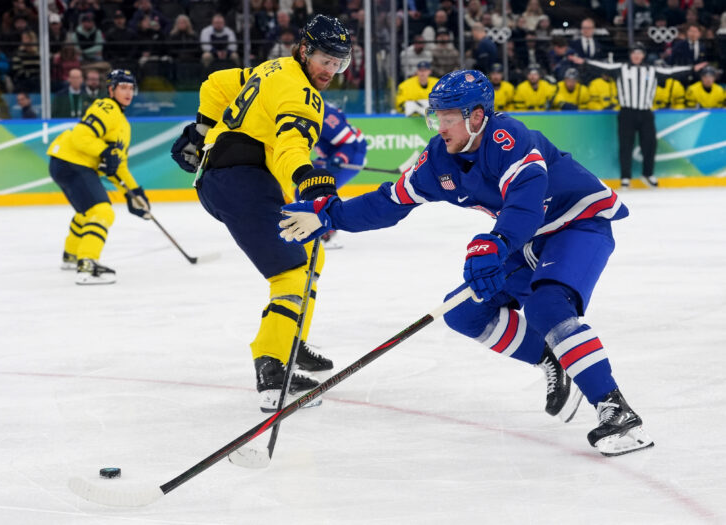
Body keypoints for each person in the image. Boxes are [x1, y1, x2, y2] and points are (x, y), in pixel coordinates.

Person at [278, 69, 655, 458]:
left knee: (547, 306)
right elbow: (389, 202)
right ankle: (552, 357)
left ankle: (618, 412)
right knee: (463, 312)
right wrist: (330, 215)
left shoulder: (509, 139)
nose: (440, 127)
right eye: (436, 117)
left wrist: (497, 242)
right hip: (526, 239)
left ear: (477, 116)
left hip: (578, 223)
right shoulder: (439, 159)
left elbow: (525, 204)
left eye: (448, 117)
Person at [169, 15, 351, 412]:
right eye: (325, 59)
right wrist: (307, 178)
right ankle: (273, 372)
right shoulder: (302, 93)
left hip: (226, 179)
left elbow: (216, 83)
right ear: (304, 50)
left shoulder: (274, 67)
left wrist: (201, 131)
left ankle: (291, 340)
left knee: (311, 251)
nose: (330, 70)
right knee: (291, 274)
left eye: (339, 63)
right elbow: (290, 146)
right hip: (242, 181)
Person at [46, 69, 151, 285]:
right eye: (123, 87)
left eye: (131, 88)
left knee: (87, 212)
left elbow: (118, 166)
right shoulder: (107, 107)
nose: (128, 92)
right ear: (111, 90)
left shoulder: (123, 125)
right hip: (72, 162)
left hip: (64, 162)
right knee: (102, 211)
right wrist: (104, 151)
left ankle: (71, 255)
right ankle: (87, 265)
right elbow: (80, 136)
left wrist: (134, 193)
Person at [570, 43, 707, 188]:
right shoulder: (621, 68)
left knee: (650, 145)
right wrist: (584, 62)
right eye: (634, 53)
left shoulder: (652, 70)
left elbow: (672, 72)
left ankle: (648, 174)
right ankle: (625, 177)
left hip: (646, 112)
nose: (636, 56)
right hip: (627, 112)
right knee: (625, 145)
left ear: (643, 56)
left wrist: (692, 68)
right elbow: (602, 67)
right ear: (630, 55)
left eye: (639, 53)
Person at [308, 101, 368, 247]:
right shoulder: (300, 111)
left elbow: (350, 144)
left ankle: (329, 234)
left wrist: (340, 158)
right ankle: (312, 229)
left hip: (352, 155)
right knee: (303, 187)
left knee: (320, 188)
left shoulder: (324, 114)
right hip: (330, 155)